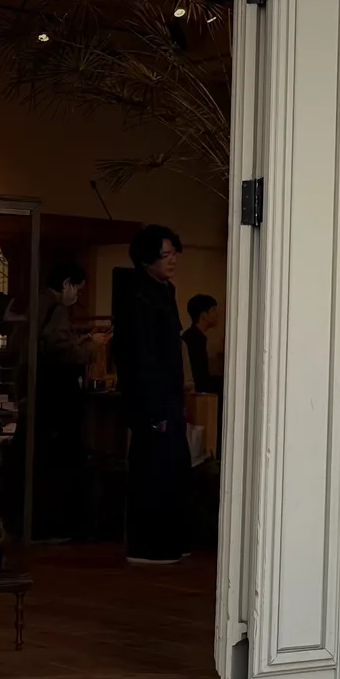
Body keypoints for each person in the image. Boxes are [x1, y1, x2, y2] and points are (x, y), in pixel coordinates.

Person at [113, 224, 190, 565]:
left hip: (169, 395)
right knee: (152, 471)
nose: (172, 260)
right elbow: (140, 356)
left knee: (174, 469)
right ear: (147, 259)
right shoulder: (137, 296)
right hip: (151, 398)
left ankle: (171, 542)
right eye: (165, 255)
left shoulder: (165, 290)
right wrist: (153, 408)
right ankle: (148, 547)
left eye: (174, 253)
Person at [30, 262, 108, 541]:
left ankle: (34, 526)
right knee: (59, 463)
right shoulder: (57, 308)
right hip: (56, 396)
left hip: (36, 393)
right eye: (77, 289)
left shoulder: (35, 303)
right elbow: (60, 351)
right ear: (66, 284)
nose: (77, 296)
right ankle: (54, 527)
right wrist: (91, 345)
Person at [181, 293, 221, 396]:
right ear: (203, 315)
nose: (217, 314)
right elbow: (200, 377)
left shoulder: (196, 337)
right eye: (213, 310)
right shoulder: (194, 339)